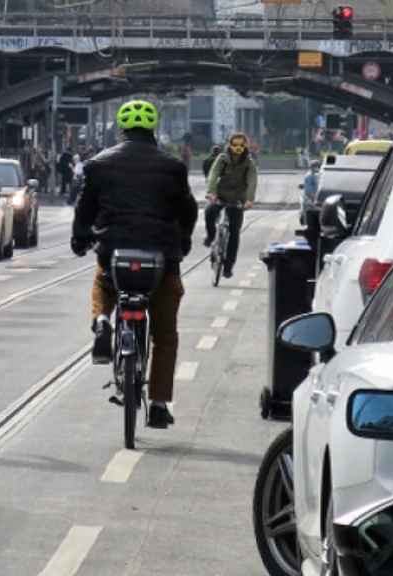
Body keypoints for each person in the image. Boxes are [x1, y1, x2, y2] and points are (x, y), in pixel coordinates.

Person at [71, 100, 198, 429]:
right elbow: (188, 211)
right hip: (161, 260)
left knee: (103, 283)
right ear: (153, 128)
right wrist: (182, 242)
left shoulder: (98, 164)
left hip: (114, 253)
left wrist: (81, 240)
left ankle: (102, 320)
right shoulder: (172, 167)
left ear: (121, 128)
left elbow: (84, 209)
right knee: (165, 334)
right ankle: (157, 403)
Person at [203, 132, 257, 279]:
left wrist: (249, 199)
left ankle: (228, 267)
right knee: (208, 211)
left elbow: (252, 182)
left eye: (241, 145)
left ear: (245, 146)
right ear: (230, 145)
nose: (238, 148)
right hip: (221, 195)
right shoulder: (223, 159)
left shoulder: (249, 163)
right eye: (235, 145)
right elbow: (213, 175)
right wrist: (211, 192)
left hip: (238, 199)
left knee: (234, 233)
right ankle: (211, 236)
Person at [301, 160, 321, 226]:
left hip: (310, 201)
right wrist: (313, 201)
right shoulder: (309, 176)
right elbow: (308, 191)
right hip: (309, 202)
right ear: (313, 167)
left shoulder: (313, 175)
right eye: (318, 167)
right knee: (310, 222)